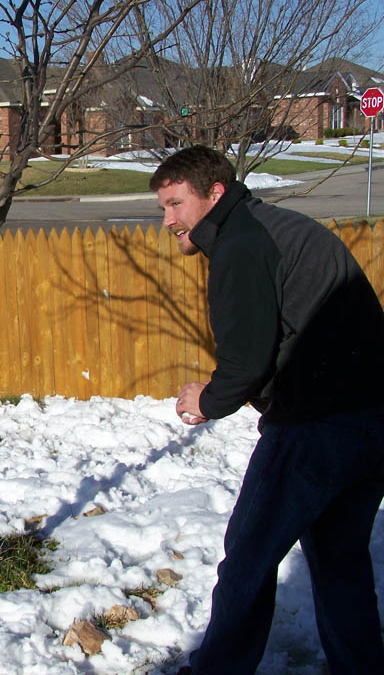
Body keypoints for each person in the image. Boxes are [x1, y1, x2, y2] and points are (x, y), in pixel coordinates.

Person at [150, 145, 384, 675]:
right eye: (162, 207)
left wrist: (207, 399)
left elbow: (247, 359)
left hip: (315, 427)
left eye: (175, 204)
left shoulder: (242, 245)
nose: (167, 220)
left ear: (214, 193)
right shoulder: (274, 227)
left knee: (249, 561)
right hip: (369, 419)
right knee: (338, 559)